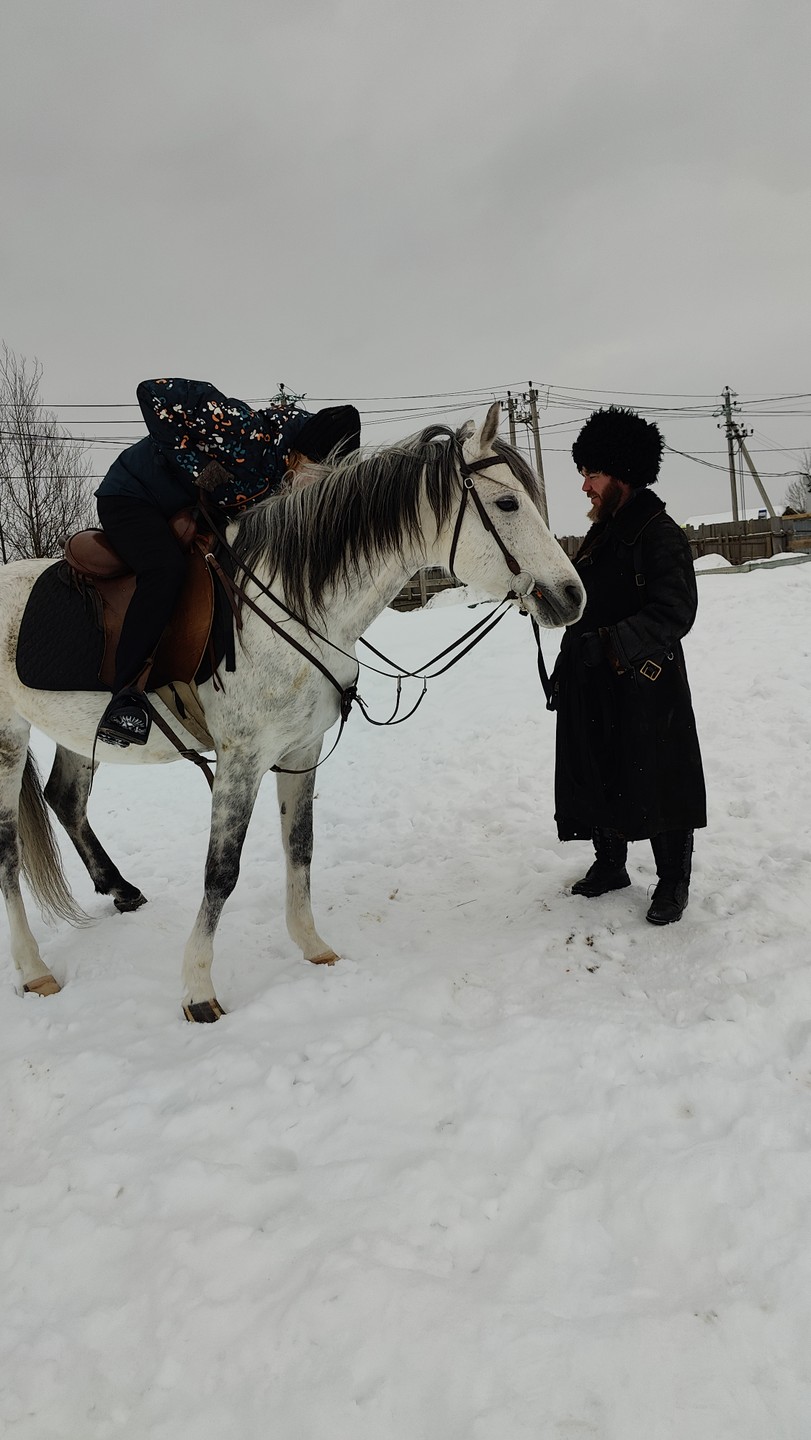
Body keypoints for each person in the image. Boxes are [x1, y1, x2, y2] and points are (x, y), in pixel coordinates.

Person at [94, 378, 361, 748]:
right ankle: (125, 696)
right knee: (164, 569)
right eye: (320, 477)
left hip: (187, 511)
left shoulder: (283, 476)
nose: (317, 491)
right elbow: (152, 393)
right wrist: (199, 468)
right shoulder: (243, 429)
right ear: (302, 454)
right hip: (132, 495)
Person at [549, 406, 706, 925]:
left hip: (646, 684)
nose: (585, 487)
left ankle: (673, 881)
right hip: (593, 679)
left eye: (591, 474)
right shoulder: (604, 532)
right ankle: (611, 865)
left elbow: (675, 611)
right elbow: (586, 597)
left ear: (621, 474)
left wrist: (612, 645)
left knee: (661, 779)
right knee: (599, 767)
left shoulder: (660, 533)